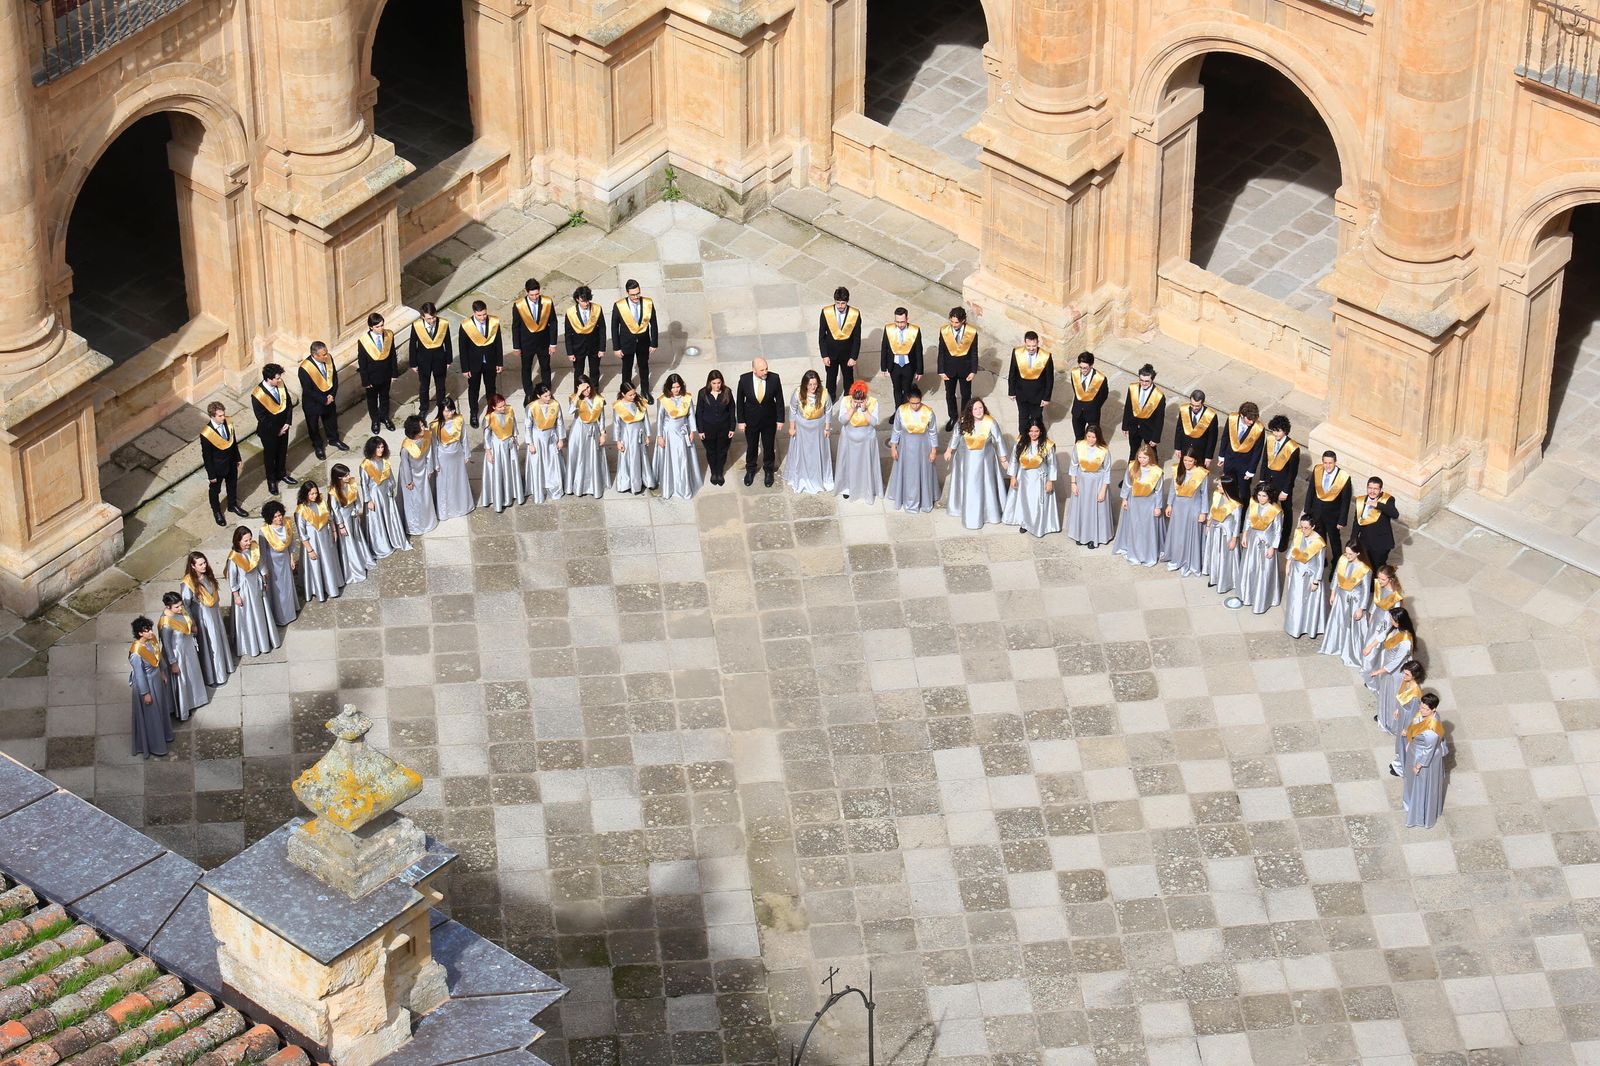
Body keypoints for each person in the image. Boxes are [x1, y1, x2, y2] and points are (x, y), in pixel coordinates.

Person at [945, 398, 1008, 530]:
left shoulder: (990, 422)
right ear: (970, 411)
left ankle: (989, 513)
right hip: (967, 460)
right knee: (969, 485)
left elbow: (999, 440)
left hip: (985, 460)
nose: (978, 411)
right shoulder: (963, 422)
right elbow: (956, 436)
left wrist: (1003, 459)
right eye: (975, 409)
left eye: (980, 408)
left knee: (986, 485)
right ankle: (967, 512)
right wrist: (950, 450)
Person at [180, 552, 235, 688]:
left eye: (204, 563)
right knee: (210, 644)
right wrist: (192, 622)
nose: (204, 566)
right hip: (203, 617)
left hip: (214, 613)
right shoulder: (188, 583)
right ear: (193, 566)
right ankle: (213, 676)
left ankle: (223, 668)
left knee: (218, 640)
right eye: (200, 564)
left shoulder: (207, 576)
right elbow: (185, 605)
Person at [225, 526, 280, 657]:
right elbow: (232, 579)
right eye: (245, 540)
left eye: (250, 539)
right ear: (238, 541)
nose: (249, 543)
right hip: (245, 590)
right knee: (249, 616)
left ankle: (264, 640)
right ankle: (252, 645)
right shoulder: (234, 558)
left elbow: (260, 564)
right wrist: (236, 595)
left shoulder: (254, 549)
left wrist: (264, 579)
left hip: (257, 584)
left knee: (261, 613)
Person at [1003, 419, 1060, 537]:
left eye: (1036, 431)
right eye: (1031, 431)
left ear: (1041, 431)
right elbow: (1014, 460)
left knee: (1037, 503)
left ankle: (1038, 525)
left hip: (1040, 478)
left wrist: (1050, 481)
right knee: (1025, 501)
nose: (1033, 434)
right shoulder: (1020, 442)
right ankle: (1025, 522)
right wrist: (1013, 476)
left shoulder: (1047, 445)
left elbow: (1052, 464)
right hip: (1024, 478)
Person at [886, 386, 940, 513]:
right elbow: (897, 430)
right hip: (905, 446)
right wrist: (893, 447)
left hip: (923, 447)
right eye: (913, 403)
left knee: (923, 472)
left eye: (918, 403)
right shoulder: (901, 410)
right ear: (908, 400)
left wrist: (933, 450)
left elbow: (933, 432)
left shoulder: (929, 412)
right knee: (907, 472)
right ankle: (906, 498)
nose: (915, 406)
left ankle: (923, 499)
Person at [128, 617, 175, 758]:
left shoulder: (152, 639)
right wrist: (145, 693)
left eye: (150, 629)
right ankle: (155, 745)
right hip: (147, 684)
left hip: (156, 680)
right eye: (146, 631)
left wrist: (162, 671)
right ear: (140, 633)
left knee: (160, 709)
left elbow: (158, 655)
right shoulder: (136, 653)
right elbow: (139, 674)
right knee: (151, 715)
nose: (150, 632)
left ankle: (164, 735)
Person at [158, 592, 208, 721]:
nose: (181, 608)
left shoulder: (182, 612)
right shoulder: (166, 623)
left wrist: (194, 626)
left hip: (187, 648)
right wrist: (173, 663)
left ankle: (194, 700)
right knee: (182, 680)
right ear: (168, 607)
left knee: (192, 675)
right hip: (177, 653)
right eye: (177, 607)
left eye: (181, 605)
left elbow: (189, 619)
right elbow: (167, 644)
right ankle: (182, 709)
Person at [1400, 693, 1448, 829]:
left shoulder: (1431, 730)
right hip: (1416, 750)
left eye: (1425, 709)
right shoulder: (1425, 716)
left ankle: (1419, 814)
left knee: (1421, 784)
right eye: (1421, 707)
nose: (1421, 710)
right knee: (1412, 781)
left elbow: (1429, 750)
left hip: (1423, 758)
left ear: (1433, 709)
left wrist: (1419, 765)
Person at [1321, 544, 1373, 669]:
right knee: (1339, 622)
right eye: (1346, 552)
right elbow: (1336, 577)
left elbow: (1366, 592)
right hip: (1341, 597)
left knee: (1352, 627)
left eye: (1350, 554)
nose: (1347, 555)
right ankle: (1337, 645)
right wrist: (1333, 593)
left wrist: (1361, 608)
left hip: (1354, 602)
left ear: (1358, 553)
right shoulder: (1343, 559)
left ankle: (1352, 651)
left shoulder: (1365, 570)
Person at [1115, 444, 1166, 567]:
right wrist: (1124, 499)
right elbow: (1127, 484)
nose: (1141, 460)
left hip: (1149, 503)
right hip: (1135, 503)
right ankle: (1135, 553)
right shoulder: (1132, 466)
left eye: (1145, 458)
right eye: (1140, 457)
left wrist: (1158, 507)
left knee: (1148, 529)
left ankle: (1148, 554)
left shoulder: (1157, 472)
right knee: (1135, 527)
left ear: (1150, 458)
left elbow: (1159, 490)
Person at [199, 402, 250, 527]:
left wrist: (237, 457)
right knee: (215, 491)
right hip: (217, 468)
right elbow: (207, 457)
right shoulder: (206, 435)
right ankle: (217, 511)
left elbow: (233, 441)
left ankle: (232, 505)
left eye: (223, 414)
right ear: (213, 416)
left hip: (231, 462)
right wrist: (211, 475)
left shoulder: (228, 422)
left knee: (232, 484)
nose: (223, 417)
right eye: (220, 416)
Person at [783, 369, 833, 494]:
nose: (813, 387)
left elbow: (828, 410)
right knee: (803, 453)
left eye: (815, 384)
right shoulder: (798, 394)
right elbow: (793, 410)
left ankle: (818, 478)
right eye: (810, 384)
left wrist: (827, 428)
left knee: (817, 452)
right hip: (803, 429)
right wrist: (792, 427)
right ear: (805, 384)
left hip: (818, 428)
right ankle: (802, 477)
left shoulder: (824, 394)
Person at [295, 480, 346, 603]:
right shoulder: (301, 511)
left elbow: (329, 518)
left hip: (325, 537)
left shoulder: (321, 502)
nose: (314, 496)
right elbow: (302, 534)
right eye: (311, 494)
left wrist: (334, 531)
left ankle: (331, 585)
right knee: (316, 564)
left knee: (328, 562)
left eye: (315, 493)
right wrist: (310, 550)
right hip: (313, 542)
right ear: (305, 494)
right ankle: (318, 589)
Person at [738, 358, 785, 487]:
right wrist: (741, 421)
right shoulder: (744, 380)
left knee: (769, 447)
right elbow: (740, 401)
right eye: (762, 370)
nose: (765, 372)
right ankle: (750, 470)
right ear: (754, 370)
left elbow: (779, 399)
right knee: (752, 446)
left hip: (769, 420)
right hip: (751, 420)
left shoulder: (774, 379)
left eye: (766, 368)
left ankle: (768, 471)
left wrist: (780, 419)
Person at [360, 437, 410, 557]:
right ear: (372, 448)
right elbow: (364, 485)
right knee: (377, 520)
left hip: (385, 493)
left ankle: (393, 538)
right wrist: (368, 501)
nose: (381, 450)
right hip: (375, 495)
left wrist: (392, 487)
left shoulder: (385, 460)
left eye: (382, 447)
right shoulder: (366, 465)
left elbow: (390, 476)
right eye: (378, 447)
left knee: (389, 516)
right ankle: (381, 546)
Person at [250, 363, 296, 496]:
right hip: (269, 431)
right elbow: (262, 418)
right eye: (277, 378)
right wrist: (277, 430)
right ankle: (271, 480)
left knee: (282, 451)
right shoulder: (257, 396)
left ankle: (282, 473)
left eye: (279, 377)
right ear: (268, 379)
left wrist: (287, 422)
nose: (279, 380)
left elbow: (288, 404)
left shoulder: (280, 385)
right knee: (270, 456)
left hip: (284, 426)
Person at [833, 382, 883, 503]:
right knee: (849, 463)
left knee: (866, 463)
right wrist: (852, 408)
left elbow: (874, 422)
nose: (859, 403)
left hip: (866, 439)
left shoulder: (873, 402)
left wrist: (865, 410)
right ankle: (847, 487)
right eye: (856, 400)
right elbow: (842, 420)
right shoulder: (846, 401)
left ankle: (867, 487)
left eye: (862, 400)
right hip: (849, 439)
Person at [1237, 486, 1284, 614]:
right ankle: (1248, 594)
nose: (1261, 498)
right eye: (1259, 495)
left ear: (1269, 496)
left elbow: (1278, 531)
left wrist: (1273, 547)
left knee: (1264, 570)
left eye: (1264, 496)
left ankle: (1262, 599)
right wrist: (1245, 535)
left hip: (1266, 542)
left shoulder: (1276, 510)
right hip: (1252, 539)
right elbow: (1247, 520)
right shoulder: (1253, 504)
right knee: (1250, 566)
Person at [298, 340, 347, 461]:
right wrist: (323, 399)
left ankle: (334, 439)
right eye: (323, 355)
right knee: (313, 426)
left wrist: (332, 394)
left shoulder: (328, 359)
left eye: (326, 353)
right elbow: (308, 390)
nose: (326, 356)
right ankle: (318, 446)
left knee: (331, 420)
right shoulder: (305, 369)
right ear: (315, 355)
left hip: (329, 398)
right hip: (313, 403)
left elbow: (334, 377)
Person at [655, 373, 701, 501]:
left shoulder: (687, 398)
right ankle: (671, 486)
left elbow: (691, 415)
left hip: (683, 431)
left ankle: (684, 485)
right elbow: (660, 419)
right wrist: (659, 436)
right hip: (669, 432)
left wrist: (692, 431)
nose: (676, 390)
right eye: (673, 387)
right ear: (668, 388)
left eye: (678, 387)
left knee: (683, 459)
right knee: (672, 459)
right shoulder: (663, 400)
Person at [1066, 426, 1114, 549]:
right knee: (1082, 508)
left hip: (1097, 483)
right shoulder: (1079, 446)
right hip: (1082, 481)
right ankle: (1080, 534)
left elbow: (1107, 471)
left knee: (1095, 510)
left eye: (1093, 437)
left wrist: (1103, 490)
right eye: (1088, 436)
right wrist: (1073, 483)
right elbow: (1074, 465)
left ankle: (1093, 537)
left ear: (1098, 437)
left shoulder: (1104, 450)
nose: (1091, 439)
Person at [1364, 606, 1415, 719]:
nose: (1391, 621)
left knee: (1393, 694)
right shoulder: (1395, 628)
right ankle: (1384, 714)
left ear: (1399, 621)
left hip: (1396, 672)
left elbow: (1397, 661)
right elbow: (1383, 635)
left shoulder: (1406, 641)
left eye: (1392, 619)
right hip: (1388, 666)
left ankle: (1389, 719)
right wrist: (1370, 646)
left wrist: (1379, 672)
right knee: (1386, 691)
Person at [612, 280, 659, 401]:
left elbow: (653, 323)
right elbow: (614, 327)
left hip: (644, 342)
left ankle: (645, 391)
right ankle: (626, 392)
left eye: (638, 293)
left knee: (644, 367)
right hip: (626, 343)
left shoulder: (648, 303)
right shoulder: (619, 305)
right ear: (627, 293)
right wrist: (616, 348)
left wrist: (654, 343)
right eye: (633, 294)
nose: (636, 297)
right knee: (626, 369)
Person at [459, 300, 504, 427]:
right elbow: (463, 349)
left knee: (491, 387)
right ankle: (474, 412)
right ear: (474, 313)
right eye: (479, 315)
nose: (482, 317)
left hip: (490, 362)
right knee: (474, 389)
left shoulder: (494, 322)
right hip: (473, 364)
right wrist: (465, 368)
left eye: (484, 314)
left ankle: (491, 410)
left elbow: (498, 343)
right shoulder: (466, 325)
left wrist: (499, 362)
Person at [1282, 515, 1328, 638]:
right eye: (1302, 527)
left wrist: (1316, 581)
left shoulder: (1319, 543)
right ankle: (1294, 626)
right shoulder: (1299, 533)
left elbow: (1320, 563)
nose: (1304, 530)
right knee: (1295, 599)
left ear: (1313, 527)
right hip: (1297, 573)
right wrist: (1288, 562)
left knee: (1307, 603)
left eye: (1307, 528)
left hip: (1310, 577)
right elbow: (1293, 548)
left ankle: (1307, 626)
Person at [1163, 450, 1208, 576]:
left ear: (1195, 460)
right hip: (1178, 507)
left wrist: (1203, 512)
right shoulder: (1177, 469)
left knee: (1189, 534)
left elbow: (1204, 494)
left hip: (1193, 508)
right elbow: (1172, 489)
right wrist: (1169, 504)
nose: (1187, 463)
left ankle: (1189, 561)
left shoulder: (1202, 474)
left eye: (1190, 460)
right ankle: (1176, 558)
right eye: (1185, 460)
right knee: (1178, 533)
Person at [329, 463, 376, 584]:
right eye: (346, 475)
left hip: (352, 514)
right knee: (348, 542)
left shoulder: (351, 484)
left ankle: (363, 559)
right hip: (344, 517)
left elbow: (356, 498)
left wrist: (357, 510)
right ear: (339, 478)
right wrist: (341, 525)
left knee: (357, 537)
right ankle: (353, 569)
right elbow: (335, 510)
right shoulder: (333, 493)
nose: (349, 476)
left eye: (348, 474)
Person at [1306, 450, 1353, 569]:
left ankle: (1336, 564)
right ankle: (1322, 559)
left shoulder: (1343, 477)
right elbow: (1311, 491)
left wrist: (1342, 520)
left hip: (1333, 516)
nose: (1327, 466)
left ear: (1335, 462)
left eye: (1330, 463)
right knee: (1319, 538)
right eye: (1325, 462)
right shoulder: (1317, 470)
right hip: (1316, 513)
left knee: (1334, 541)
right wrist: (1307, 510)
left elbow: (1345, 501)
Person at [511, 278, 557, 399]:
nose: (535, 297)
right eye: (532, 295)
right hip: (526, 344)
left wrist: (553, 344)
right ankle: (529, 393)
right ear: (526, 292)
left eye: (537, 294)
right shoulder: (519, 305)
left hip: (544, 342)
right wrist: (516, 346)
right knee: (526, 368)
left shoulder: (547, 302)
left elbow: (553, 322)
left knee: (545, 367)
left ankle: (546, 392)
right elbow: (515, 327)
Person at [565, 375, 610, 498]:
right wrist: (579, 393)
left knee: (592, 456)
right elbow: (570, 411)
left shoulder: (598, 399)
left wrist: (603, 433)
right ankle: (578, 485)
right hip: (579, 430)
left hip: (593, 429)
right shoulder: (574, 398)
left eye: (588, 387)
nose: (587, 391)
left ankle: (593, 484)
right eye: (584, 389)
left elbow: (602, 418)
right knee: (579, 457)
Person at [1260, 416, 1300, 551]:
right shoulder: (1270, 439)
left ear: (1285, 431)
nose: (1276, 434)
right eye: (1274, 431)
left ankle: (1283, 539)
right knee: (1269, 507)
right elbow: (1265, 461)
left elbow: (1292, 472)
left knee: (1286, 511)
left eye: (1278, 431)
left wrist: (1286, 490)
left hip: (1283, 485)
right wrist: (1262, 480)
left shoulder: (1293, 448)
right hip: (1269, 481)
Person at [432, 397, 475, 521]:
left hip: (457, 454)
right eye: (446, 411)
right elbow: (434, 445)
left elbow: (464, 438)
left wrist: (466, 454)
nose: (449, 413)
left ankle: (462, 506)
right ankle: (445, 510)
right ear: (441, 411)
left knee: (459, 480)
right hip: (443, 456)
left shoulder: (459, 419)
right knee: (444, 482)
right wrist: (435, 463)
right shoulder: (435, 425)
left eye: (451, 410)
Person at [356, 311, 399, 433]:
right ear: (371, 327)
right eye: (377, 326)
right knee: (372, 400)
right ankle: (375, 420)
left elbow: (392, 355)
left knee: (385, 397)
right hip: (372, 377)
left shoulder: (388, 335)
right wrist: (365, 380)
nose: (381, 328)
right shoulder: (364, 341)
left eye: (382, 325)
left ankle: (384, 417)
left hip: (386, 374)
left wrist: (394, 373)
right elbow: (362, 362)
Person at [480, 393, 524, 511]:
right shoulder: (489, 418)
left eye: (503, 405)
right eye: (500, 407)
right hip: (497, 446)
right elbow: (486, 437)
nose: (503, 408)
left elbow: (513, 425)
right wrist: (488, 452)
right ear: (493, 407)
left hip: (509, 444)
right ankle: (500, 497)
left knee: (511, 469)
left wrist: (515, 439)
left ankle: (512, 492)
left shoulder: (510, 411)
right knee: (499, 471)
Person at [936, 307, 977, 432]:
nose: (954, 325)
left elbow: (974, 352)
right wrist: (941, 370)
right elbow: (941, 352)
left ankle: (965, 418)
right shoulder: (944, 331)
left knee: (966, 395)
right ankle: (953, 417)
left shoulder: (971, 332)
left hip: (965, 369)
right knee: (950, 394)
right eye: (952, 322)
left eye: (957, 322)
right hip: (949, 369)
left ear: (963, 320)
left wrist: (973, 370)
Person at [259, 501, 299, 628]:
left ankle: (290, 611)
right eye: (275, 517)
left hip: (285, 561)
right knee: (277, 590)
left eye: (280, 515)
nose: (279, 518)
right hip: (273, 564)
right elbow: (263, 552)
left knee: (287, 586)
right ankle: (281, 616)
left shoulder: (287, 523)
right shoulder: (264, 531)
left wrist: (291, 558)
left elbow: (291, 542)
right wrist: (265, 570)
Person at [524, 384, 566, 503]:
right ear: (538, 396)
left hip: (551, 436)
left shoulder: (555, 404)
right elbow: (527, 426)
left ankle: (554, 487)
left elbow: (560, 422)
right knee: (539, 462)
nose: (549, 398)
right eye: (546, 396)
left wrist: (561, 439)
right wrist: (530, 443)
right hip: (537, 438)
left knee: (552, 462)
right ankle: (539, 487)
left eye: (549, 395)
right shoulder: (531, 407)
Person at [409, 302, 453, 416]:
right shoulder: (417, 326)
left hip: (440, 360)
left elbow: (447, 342)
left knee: (441, 386)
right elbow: (413, 345)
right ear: (423, 317)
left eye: (433, 317)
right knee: (424, 386)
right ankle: (423, 408)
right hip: (423, 361)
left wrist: (449, 360)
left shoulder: (443, 323)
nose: (432, 321)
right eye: (428, 318)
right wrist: (413, 363)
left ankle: (441, 407)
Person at [612, 380, 656, 495]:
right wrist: (618, 441)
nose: (633, 396)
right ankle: (628, 483)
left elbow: (645, 419)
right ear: (623, 394)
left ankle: (645, 479)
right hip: (627, 436)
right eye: (630, 395)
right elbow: (616, 424)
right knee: (628, 458)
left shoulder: (640, 402)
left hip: (639, 434)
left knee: (642, 457)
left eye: (634, 394)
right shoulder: (618, 406)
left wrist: (648, 434)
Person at [818, 286, 862, 400]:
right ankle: (830, 398)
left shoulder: (854, 314)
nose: (840, 306)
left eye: (843, 303)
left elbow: (857, 338)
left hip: (847, 355)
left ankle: (849, 399)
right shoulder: (826, 312)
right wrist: (824, 355)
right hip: (831, 353)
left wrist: (854, 357)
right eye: (838, 303)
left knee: (848, 378)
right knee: (831, 378)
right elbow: (822, 336)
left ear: (847, 302)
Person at [398, 416, 439, 533]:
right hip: (411, 475)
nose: (423, 428)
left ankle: (428, 521)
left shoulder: (427, 436)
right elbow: (405, 465)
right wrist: (408, 481)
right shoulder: (406, 447)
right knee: (414, 500)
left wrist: (430, 468)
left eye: (422, 425)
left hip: (422, 471)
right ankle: (415, 526)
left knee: (425, 497)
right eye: (420, 426)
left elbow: (429, 453)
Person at [1203, 476, 1243, 594]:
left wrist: (1234, 538)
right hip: (1215, 530)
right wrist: (1209, 524)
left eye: (1220, 485)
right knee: (1215, 552)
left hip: (1227, 533)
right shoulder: (1217, 495)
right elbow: (1212, 510)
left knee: (1225, 556)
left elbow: (1237, 522)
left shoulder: (1236, 504)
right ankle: (1214, 576)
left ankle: (1226, 580)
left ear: (1226, 487)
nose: (1217, 487)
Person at [1218, 402, 1266, 502]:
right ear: (1241, 415)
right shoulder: (1232, 419)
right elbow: (1225, 437)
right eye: (1249, 419)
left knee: (1243, 492)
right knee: (1228, 486)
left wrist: (1251, 470)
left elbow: (1257, 452)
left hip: (1245, 466)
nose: (1252, 422)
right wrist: (1221, 456)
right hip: (1229, 460)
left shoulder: (1259, 429)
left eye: (1254, 419)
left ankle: (1242, 514)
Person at [696, 370, 737, 486]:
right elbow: (699, 412)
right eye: (714, 383)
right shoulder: (702, 393)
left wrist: (732, 428)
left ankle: (720, 472)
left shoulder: (727, 392)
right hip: (708, 429)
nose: (717, 386)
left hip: (724, 428)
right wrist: (700, 430)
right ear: (710, 383)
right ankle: (714, 471)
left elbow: (732, 410)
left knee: (722, 451)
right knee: (711, 451)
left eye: (718, 383)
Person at [1007, 332, 1054, 431]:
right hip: (1021, 393)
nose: (1031, 348)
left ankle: (1037, 438)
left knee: (1036, 419)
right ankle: (1022, 437)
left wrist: (1046, 398)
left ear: (1038, 343)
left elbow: (1049, 379)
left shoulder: (1046, 356)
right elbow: (1012, 373)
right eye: (1028, 346)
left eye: (1034, 346)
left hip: (1038, 395)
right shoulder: (1017, 353)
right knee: (1023, 417)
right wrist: (1011, 392)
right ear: (1024, 342)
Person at [1352, 477, 1400, 570]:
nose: (1372, 491)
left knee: (1378, 568)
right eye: (1370, 488)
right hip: (1365, 542)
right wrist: (1353, 541)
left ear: (1380, 490)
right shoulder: (1361, 500)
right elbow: (1357, 522)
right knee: (1365, 567)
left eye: (1375, 489)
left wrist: (1377, 505)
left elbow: (1395, 514)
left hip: (1380, 544)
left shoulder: (1387, 500)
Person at [1120, 364, 1166, 462]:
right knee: (1133, 452)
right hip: (1134, 427)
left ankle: (1153, 475)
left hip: (1149, 430)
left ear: (1152, 380)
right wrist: (1125, 425)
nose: (1143, 383)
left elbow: (1159, 419)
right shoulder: (1132, 388)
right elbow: (1128, 407)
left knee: (1151, 454)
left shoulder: (1159, 396)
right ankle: (1130, 476)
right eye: (1141, 380)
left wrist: (1156, 438)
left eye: (1147, 381)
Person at [880, 307, 923, 408]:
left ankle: (905, 408)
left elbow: (918, 351)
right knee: (897, 389)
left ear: (907, 319)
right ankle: (898, 410)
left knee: (907, 389)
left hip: (908, 366)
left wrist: (920, 370)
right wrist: (883, 367)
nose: (900, 325)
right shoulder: (889, 329)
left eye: (902, 322)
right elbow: (884, 348)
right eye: (897, 322)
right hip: (894, 365)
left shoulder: (915, 330)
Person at [565, 285, 606, 386]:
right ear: (577, 299)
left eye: (588, 301)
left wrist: (602, 348)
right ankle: (578, 392)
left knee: (595, 371)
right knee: (578, 372)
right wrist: (570, 352)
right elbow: (568, 334)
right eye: (583, 301)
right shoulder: (570, 313)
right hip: (578, 347)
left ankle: (594, 391)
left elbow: (602, 329)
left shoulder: (597, 309)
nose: (586, 303)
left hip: (594, 346)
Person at [1363, 564, 1405, 656]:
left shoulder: (1395, 597)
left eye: (1383, 579)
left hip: (1384, 624)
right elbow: (1375, 602)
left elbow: (1392, 620)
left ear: (1390, 579)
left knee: (1375, 647)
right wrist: (1371, 616)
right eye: (1378, 578)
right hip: (1375, 619)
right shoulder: (1379, 586)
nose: (1380, 581)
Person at [1172, 389, 1218, 467]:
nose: (1194, 408)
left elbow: (1212, 438)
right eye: (1192, 405)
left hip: (1200, 451)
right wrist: (1177, 447)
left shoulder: (1210, 416)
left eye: (1197, 406)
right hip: (1185, 448)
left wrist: (1208, 456)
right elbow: (1179, 430)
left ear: (1202, 403)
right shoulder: (1184, 410)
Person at [1384, 659, 1426, 745]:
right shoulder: (1406, 681)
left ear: (1414, 676)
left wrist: (1407, 728)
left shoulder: (1415, 695)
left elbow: (1414, 714)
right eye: (1404, 673)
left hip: (1408, 718)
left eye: (1407, 674)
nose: (1404, 676)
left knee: (1404, 741)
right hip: (1403, 713)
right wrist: (1398, 709)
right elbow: (1401, 695)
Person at [1068, 352, 1107, 442]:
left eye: (1085, 368)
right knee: (1078, 438)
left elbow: (1103, 395)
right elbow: (1075, 389)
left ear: (1091, 365)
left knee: (1093, 439)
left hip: (1092, 414)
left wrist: (1094, 406)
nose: (1082, 370)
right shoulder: (1074, 373)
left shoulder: (1100, 378)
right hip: (1077, 412)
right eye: (1080, 367)